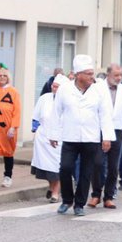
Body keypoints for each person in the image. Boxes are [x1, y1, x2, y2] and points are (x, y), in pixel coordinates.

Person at [48, 54, 115, 217]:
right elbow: (56, 112)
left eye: (92, 73)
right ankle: (67, 200)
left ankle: (79, 204)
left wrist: (106, 137)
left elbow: (105, 114)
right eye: (88, 74)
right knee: (65, 168)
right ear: (78, 75)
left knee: (86, 172)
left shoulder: (100, 89)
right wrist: (53, 134)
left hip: (90, 138)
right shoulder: (65, 89)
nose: (92, 77)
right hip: (70, 137)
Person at [89, 64, 122, 209]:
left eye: (120, 75)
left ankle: (109, 197)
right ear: (108, 74)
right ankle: (96, 194)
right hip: (99, 130)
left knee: (113, 167)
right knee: (97, 163)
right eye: (116, 75)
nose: (119, 78)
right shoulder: (97, 89)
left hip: (117, 130)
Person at [31, 74, 68, 202]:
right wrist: (34, 129)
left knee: (58, 166)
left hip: (60, 138)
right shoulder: (44, 98)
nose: (54, 88)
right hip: (43, 137)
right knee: (46, 167)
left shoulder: (66, 101)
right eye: (53, 86)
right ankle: (51, 187)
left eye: (57, 87)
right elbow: (36, 115)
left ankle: (56, 192)